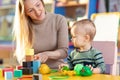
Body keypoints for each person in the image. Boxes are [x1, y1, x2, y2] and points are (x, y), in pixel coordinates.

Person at [13, 0, 68, 69]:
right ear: (25, 13)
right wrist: (28, 61)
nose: (37, 12)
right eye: (30, 10)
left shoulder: (59, 20)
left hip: (57, 70)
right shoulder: (24, 27)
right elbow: (21, 56)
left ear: (42, 2)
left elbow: (64, 52)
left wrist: (47, 54)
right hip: (34, 72)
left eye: (38, 5)